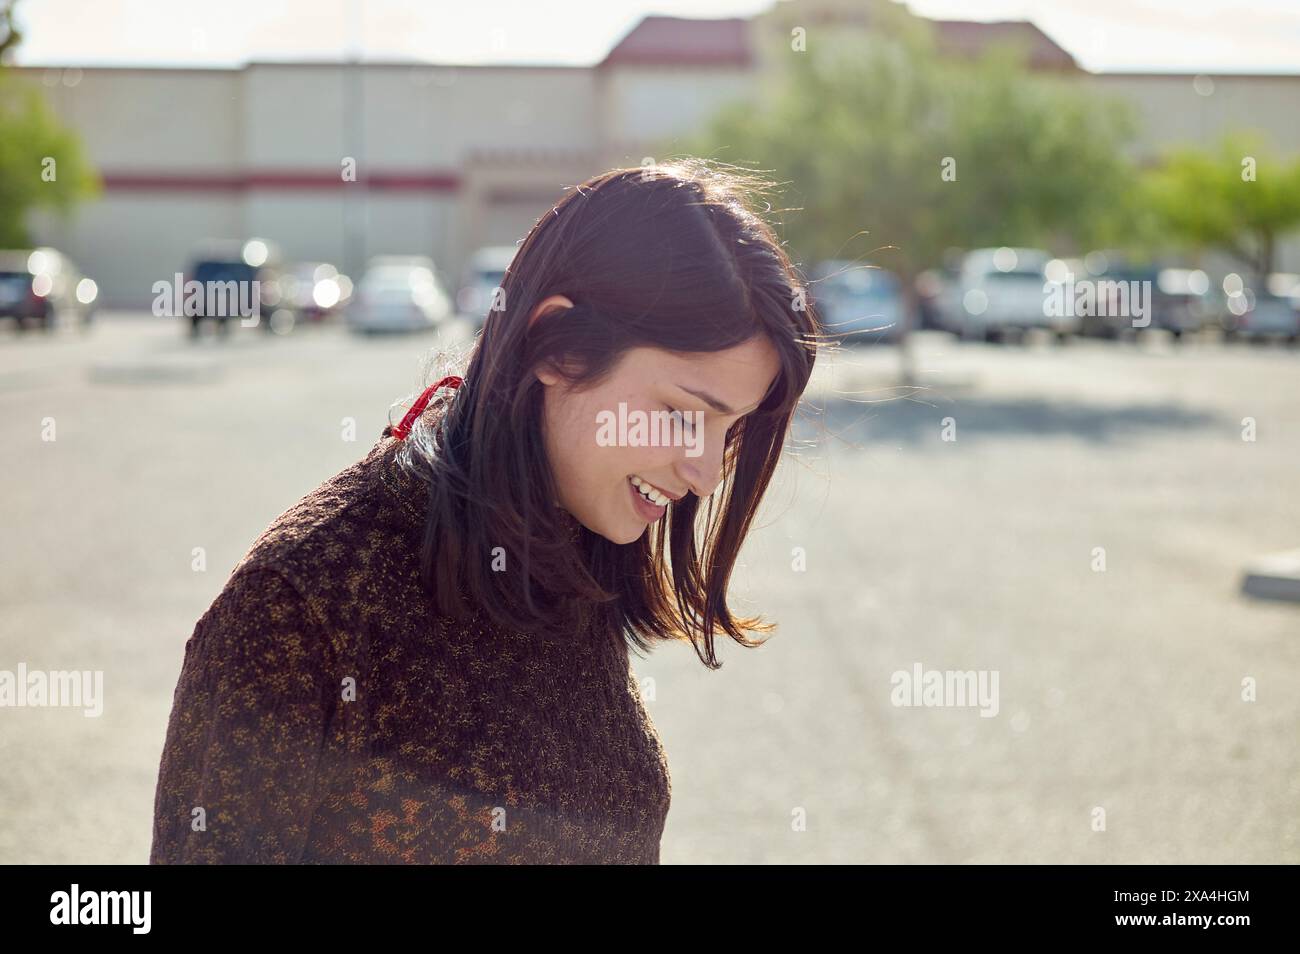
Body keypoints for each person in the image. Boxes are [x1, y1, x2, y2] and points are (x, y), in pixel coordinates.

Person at [148, 158, 822, 864]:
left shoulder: (571, 551)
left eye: (732, 429)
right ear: (556, 347)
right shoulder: (302, 604)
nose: (707, 473)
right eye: (685, 415)